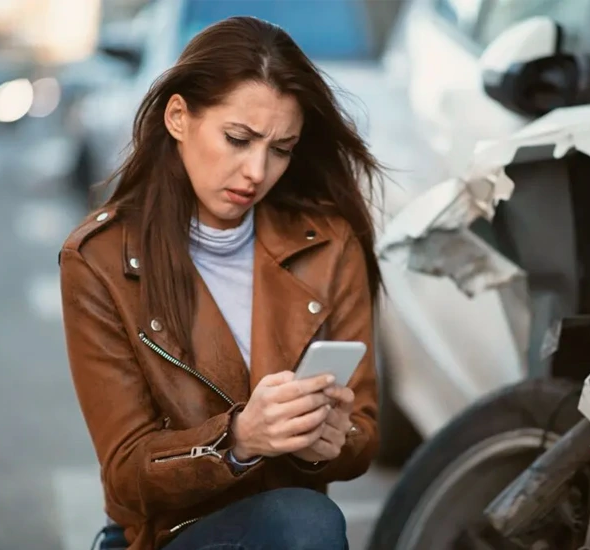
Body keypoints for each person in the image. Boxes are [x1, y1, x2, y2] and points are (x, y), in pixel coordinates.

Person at [59, 15, 383, 550]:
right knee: (305, 521)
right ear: (179, 117)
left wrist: (329, 442)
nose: (257, 170)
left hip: (292, 526)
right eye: (238, 138)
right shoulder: (100, 260)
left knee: (303, 518)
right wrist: (236, 441)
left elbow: (364, 432)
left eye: (281, 149)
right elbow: (125, 472)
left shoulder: (328, 243)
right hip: (169, 534)